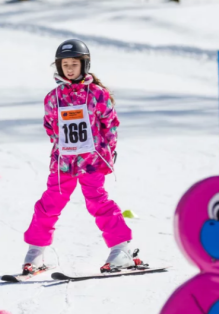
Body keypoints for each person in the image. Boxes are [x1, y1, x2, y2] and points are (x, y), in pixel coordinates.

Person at [21, 39, 140, 275]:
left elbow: (110, 125)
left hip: (91, 162)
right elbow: (50, 127)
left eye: (74, 64)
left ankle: (122, 249)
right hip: (63, 163)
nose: (69, 69)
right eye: (65, 64)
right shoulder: (53, 97)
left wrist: (105, 152)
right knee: (48, 204)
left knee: (97, 202)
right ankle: (36, 252)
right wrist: (60, 149)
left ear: (85, 65)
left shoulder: (97, 94)